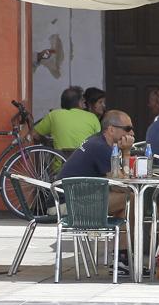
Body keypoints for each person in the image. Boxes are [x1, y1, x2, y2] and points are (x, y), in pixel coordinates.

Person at [54, 109, 144, 278]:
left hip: (78, 198)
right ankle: (124, 260)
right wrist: (126, 152)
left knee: (124, 207)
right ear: (111, 129)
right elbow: (120, 185)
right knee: (131, 198)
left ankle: (122, 261)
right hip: (69, 205)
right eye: (127, 128)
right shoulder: (100, 147)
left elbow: (117, 181)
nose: (132, 133)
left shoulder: (99, 142)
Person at [30, 85, 101, 151]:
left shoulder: (54, 115)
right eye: (83, 101)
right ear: (79, 103)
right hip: (86, 163)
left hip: (62, 163)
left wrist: (45, 141)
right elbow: (100, 141)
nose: (85, 105)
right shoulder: (92, 117)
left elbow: (34, 134)